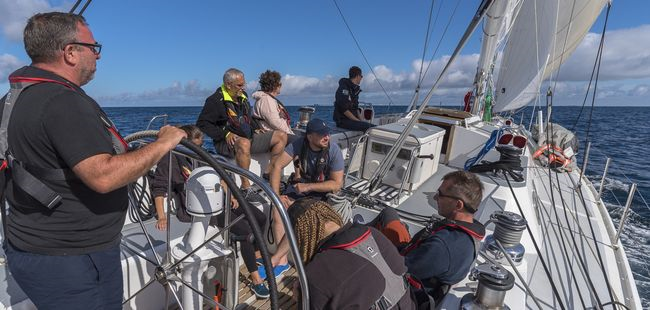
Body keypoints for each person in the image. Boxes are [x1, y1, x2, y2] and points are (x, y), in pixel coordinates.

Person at [0, 12, 187, 309]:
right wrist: (164, 143)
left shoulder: (13, 99)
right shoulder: (62, 102)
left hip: (29, 248)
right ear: (70, 52)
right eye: (93, 47)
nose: (97, 57)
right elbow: (103, 176)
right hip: (74, 261)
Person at [150, 125, 271, 298]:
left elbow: (217, 176)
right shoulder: (170, 159)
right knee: (245, 231)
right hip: (200, 208)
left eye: (200, 146)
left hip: (219, 198)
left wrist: (231, 195)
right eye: (195, 146)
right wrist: (161, 216)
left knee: (258, 216)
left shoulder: (201, 154)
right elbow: (159, 188)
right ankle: (256, 280)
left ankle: (257, 256)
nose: (198, 150)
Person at [371, 171, 486, 301]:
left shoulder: (444, 245)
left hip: (402, 284)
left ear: (458, 205)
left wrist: (373, 250)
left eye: (440, 194)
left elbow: (400, 270)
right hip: (412, 255)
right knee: (388, 213)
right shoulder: (467, 229)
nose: (435, 198)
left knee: (363, 237)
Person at [288, 198, 417, 309]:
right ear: (330, 213)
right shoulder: (373, 233)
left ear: (300, 238)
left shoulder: (316, 273)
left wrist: (302, 298)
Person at [196, 68, 287, 201]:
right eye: (239, 85)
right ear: (228, 84)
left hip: (249, 137)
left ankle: (268, 174)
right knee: (244, 142)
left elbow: (247, 118)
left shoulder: (242, 96)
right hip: (227, 142)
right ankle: (245, 187)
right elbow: (202, 124)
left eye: (243, 84)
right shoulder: (215, 100)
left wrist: (255, 128)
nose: (243, 87)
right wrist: (225, 134)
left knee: (281, 136)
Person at [267, 118, 344, 271]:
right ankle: (282, 261)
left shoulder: (333, 151)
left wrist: (307, 187)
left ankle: (304, 262)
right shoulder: (298, 145)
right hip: (298, 191)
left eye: (327, 133)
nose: (326, 137)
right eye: (322, 134)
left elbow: (336, 184)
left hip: (321, 196)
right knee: (278, 209)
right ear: (309, 137)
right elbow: (276, 165)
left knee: (303, 216)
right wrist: (275, 196)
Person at [252, 70, 295, 137]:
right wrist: (291, 134)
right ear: (274, 85)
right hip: (275, 136)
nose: (281, 86)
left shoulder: (268, 99)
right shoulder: (266, 100)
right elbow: (276, 123)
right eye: (280, 84)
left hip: (277, 133)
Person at [333, 66, 375, 132]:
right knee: (374, 128)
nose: (361, 78)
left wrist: (362, 121)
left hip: (351, 120)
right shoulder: (344, 88)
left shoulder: (354, 90)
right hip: (343, 121)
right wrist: (358, 121)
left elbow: (356, 108)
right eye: (361, 76)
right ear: (358, 76)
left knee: (373, 127)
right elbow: (344, 110)